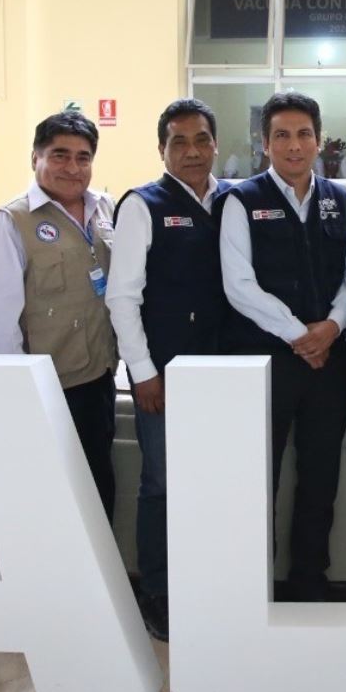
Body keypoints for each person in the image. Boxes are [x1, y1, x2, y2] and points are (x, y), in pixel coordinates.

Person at [219, 90, 346, 602]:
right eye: (281, 135)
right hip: (266, 361)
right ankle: (254, 587)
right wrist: (300, 333)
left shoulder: (338, 198)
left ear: (318, 140)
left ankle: (308, 581)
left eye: (303, 134)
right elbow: (239, 284)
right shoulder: (241, 199)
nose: (293, 146)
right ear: (264, 142)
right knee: (259, 479)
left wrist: (333, 327)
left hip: (328, 361)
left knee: (320, 480)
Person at [107, 100, 229, 640]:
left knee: (213, 480)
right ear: (162, 150)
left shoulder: (232, 199)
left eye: (201, 140)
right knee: (160, 482)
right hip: (165, 374)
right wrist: (143, 371)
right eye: (179, 142)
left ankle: (207, 582)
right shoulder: (143, 205)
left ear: (215, 145)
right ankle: (156, 589)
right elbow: (121, 297)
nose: (192, 151)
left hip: (225, 371)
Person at [0, 113, 118, 517]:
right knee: (50, 500)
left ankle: (96, 580)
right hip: (47, 389)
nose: (72, 168)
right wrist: (21, 398)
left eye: (83, 157)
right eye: (60, 155)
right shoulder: (11, 222)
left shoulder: (104, 208)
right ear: (35, 158)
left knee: (96, 489)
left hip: (98, 378)